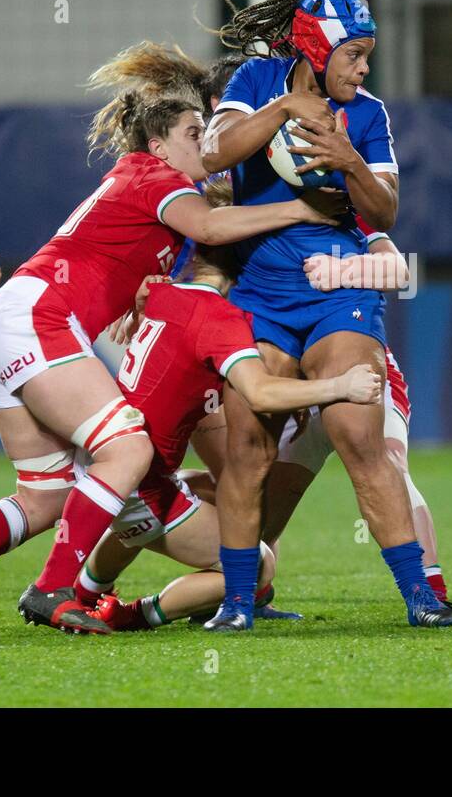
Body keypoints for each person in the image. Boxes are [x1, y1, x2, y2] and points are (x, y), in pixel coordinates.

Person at [0, 43, 343, 635]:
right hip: (39, 317)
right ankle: (53, 590)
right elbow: (208, 225)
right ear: (159, 146)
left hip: (14, 320)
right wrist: (301, 212)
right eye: (193, 131)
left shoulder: (145, 185)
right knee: (128, 449)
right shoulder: (154, 175)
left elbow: (128, 251)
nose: (205, 141)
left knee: (45, 497)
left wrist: (134, 293)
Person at [200, 0, 452, 630]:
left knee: (357, 436)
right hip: (261, 295)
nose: (364, 68)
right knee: (248, 450)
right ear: (317, 49)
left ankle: (420, 598)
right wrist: (286, 108)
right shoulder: (259, 80)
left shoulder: (367, 115)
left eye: (368, 55)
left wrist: (349, 160)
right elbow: (215, 153)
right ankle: (236, 604)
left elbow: (386, 211)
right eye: (355, 54)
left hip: (340, 292)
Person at [70, 194, 382, 631]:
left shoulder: (162, 293)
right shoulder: (221, 320)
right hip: (140, 483)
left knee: (204, 489)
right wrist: (338, 387)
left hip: (113, 466)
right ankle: (129, 615)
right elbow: (259, 392)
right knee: (256, 565)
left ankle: (81, 593)